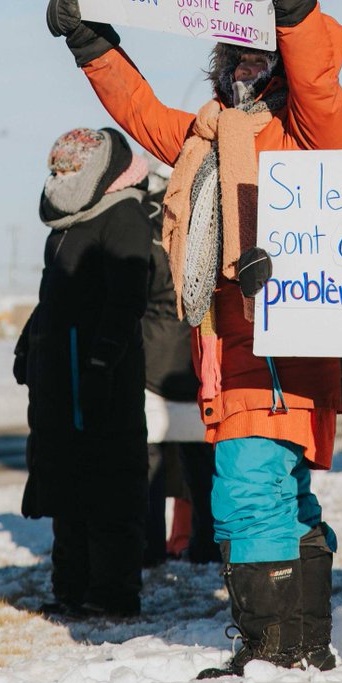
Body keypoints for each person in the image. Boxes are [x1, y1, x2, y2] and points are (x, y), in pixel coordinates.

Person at [46, 0, 342, 677]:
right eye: (236, 60)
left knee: (247, 492)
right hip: (224, 345)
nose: (248, 72)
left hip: (281, 343)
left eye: (260, 60)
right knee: (283, 494)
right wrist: (93, 45)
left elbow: (319, 79)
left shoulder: (308, 130)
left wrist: (295, 3)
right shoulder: (203, 134)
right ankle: (302, 641)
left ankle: (270, 650)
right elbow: (140, 108)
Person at [14, 127, 151, 618]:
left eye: (71, 168)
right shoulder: (67, 224)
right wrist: (31, 338)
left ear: (98, 171)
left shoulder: (123, 215)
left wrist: (101, 362)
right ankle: (71, 586)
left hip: (100, 376)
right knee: (67, 481)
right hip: (60, 375)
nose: (61, 177)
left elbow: (126, 299)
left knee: (110, 481)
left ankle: (112, 591)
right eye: (58, 168)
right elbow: (57, 293)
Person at [140, 163, 217, 566]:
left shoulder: (145, 219)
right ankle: (205, 546)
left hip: (153, 359)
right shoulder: (209, 211)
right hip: (199, 354)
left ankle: (150, 546)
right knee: (203, 464)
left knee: (150, 462)